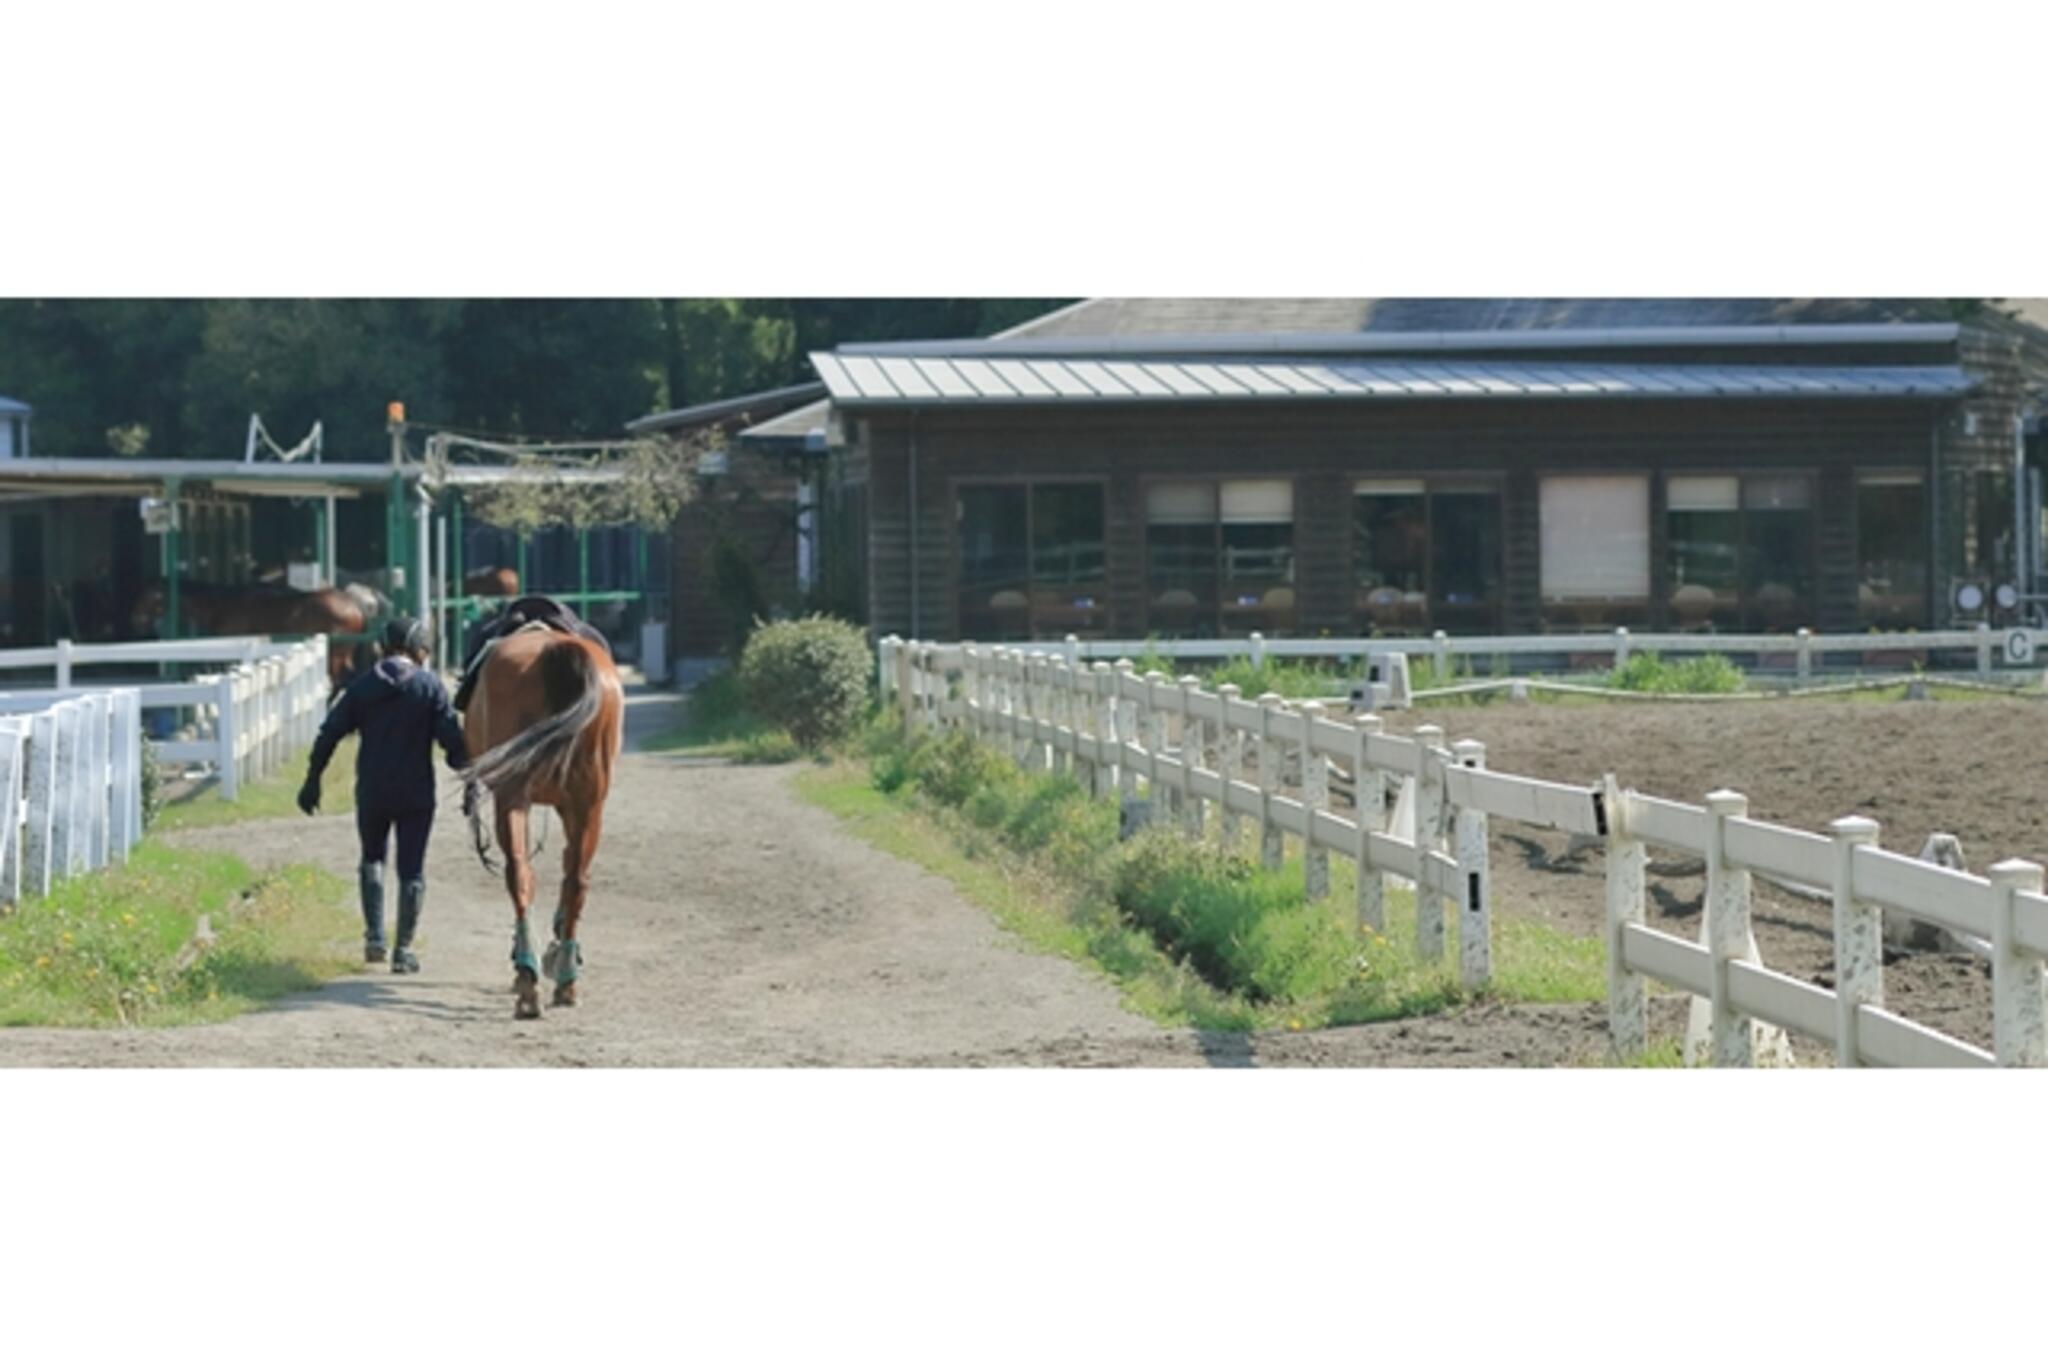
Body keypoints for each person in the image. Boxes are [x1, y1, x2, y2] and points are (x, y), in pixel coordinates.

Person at [297, 616, 469, 972]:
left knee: (372, 858)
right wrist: (472, 775)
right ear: (421, 650)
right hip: (416, 793)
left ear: (382, 646)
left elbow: (329, 733)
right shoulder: (430, 687)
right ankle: (403, 950)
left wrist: (313, 779)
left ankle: (374, 936)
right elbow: (453, 745)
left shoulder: (362, 687)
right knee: (412, 869)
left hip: (373, 789)